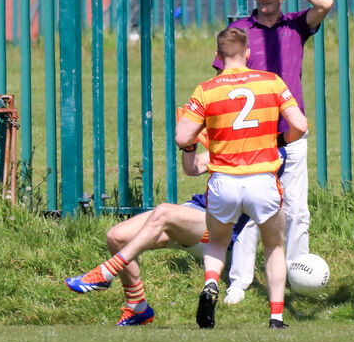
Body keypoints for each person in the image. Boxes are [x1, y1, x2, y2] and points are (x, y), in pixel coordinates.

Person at [217, 0, 333, 305]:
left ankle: (298, 276)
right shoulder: (239, 30)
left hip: (292, 137)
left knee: (297, 210)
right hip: (253, 140)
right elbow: (223, 83)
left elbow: (325, 4)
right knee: (252, 212)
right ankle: (239, 282)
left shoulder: (295, 24)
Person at [64, 110, 248, 327]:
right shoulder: (226, 145)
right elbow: (192, 168)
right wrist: (189, 144)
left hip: (218, 229)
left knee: (164, 212)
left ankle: (105, 273)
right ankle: (137, 307)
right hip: (194, 214)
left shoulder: (259, 154)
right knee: (117, 236)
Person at [177, 27, 308, 329]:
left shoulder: (206, 90)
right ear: (248, 53)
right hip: (263, 179)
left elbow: (183, 135)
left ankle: (211, 284)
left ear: (218, 56)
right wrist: (281, 141)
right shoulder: (272, 82)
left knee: (217, 244)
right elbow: (300, 124)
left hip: (224, 181)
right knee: (274, 246)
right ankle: (276, 318)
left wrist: (190, 144)